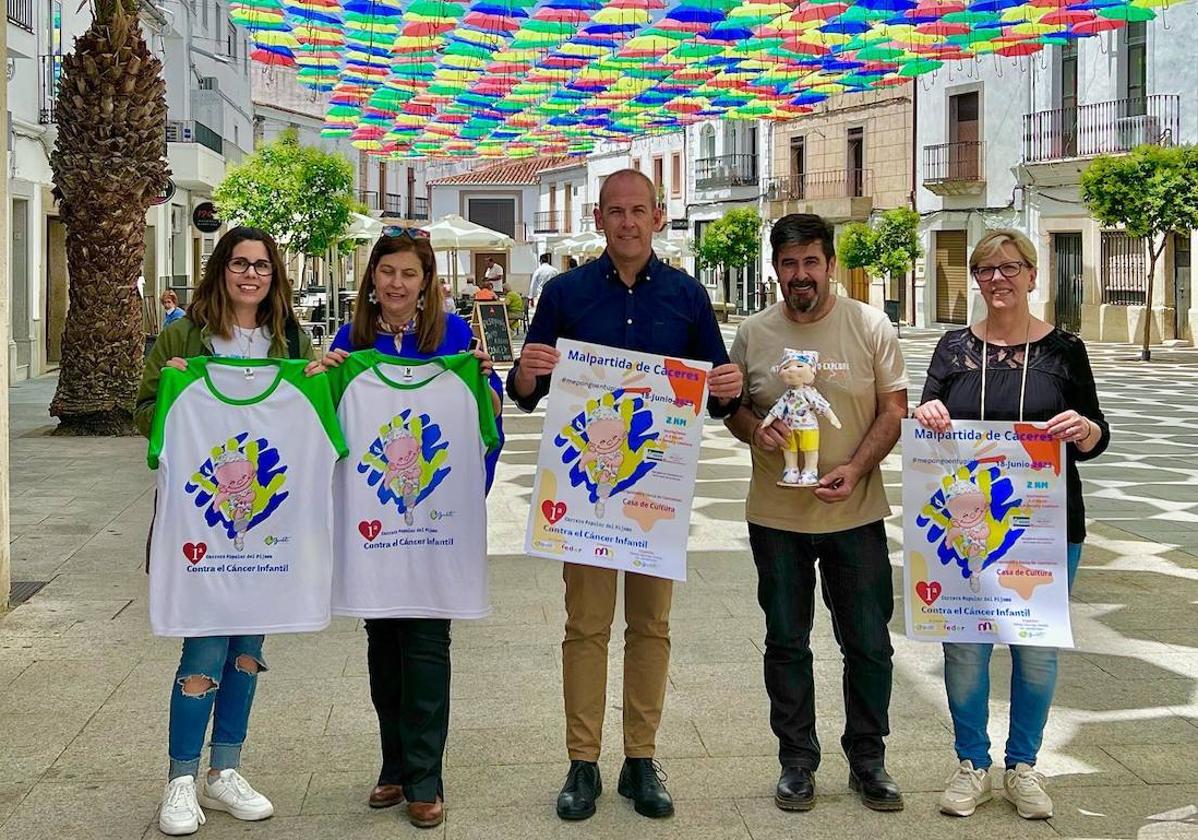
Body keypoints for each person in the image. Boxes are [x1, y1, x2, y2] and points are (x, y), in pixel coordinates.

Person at [507, 169, 744, 822]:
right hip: (582, 497)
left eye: (639, 210)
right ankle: (582, 762)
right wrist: (525, 377)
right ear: (599, 217)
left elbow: (718, 399)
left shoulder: (688, 297)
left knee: (651, 627)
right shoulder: (564, 294)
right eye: (616, 211)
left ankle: (641, 759)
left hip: (653, 500)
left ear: (658, 216)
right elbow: (528, 393)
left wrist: (727, 389)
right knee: (584, 627)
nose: (628, 222)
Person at [913, 229, 1109, 821]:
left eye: (1009, 268)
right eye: (985, 270)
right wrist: (928, 413)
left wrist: (1085, 431)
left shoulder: (1065, 351)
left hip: (1047, 529)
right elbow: (923, 424)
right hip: (965, 532)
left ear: (1032, 274)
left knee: (1037, 649)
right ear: (975, 280)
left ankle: (1022, 765)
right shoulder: (952, 350)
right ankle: (971, 762)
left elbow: (1097, 433)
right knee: (966, 647)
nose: (997, 279)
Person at [134, 226, 323, 837]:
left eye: (262, 266)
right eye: (239, 263)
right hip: (201, 523)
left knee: (246, 651)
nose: (250, 275)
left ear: (276, 275)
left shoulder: (288, 338)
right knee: (203, 647)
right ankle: (180, 780)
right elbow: (145, 417)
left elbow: (316, 416)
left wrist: (326, 374)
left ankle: (226, 772)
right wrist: (172, 389)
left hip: (266, 524)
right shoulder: (182, 334)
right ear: (220, 269)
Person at [319, 225, 503, 830]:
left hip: (434, 520)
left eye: (409, 275)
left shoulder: (451, 334)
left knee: (426, 641)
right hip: (378, 522)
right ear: (372, 278)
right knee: (382, 642)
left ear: (426, 285)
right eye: (387, 272)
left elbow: (487, 411)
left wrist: (485, 382)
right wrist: (322, 377)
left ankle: (426, 776)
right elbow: (326, 420)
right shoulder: (352, 338)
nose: (396, 284)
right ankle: (392, 766)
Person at [724, 214, 908, 814]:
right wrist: (756, 431)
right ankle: (797, 762)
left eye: (810, 262)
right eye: (788, 263)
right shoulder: (753, 334)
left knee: (868, 642)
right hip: (777, 518)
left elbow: (893, 408)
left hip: (856, 514)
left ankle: (868, 759)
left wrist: (855, 469)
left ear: (830, 264)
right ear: (774, 268)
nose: (799, 275)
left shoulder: (869, 325)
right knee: (786, 641)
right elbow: (733, 408)